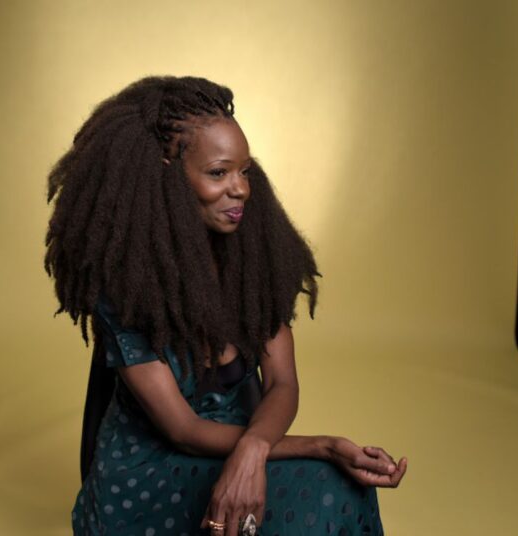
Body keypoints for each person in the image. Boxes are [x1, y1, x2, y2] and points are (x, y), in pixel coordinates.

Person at [44, 75, 407, 536]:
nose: (241, 190)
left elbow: (282, 383)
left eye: (244, 171)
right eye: (218, 173)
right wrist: (322, 446)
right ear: (168, 174)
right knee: (326, 490)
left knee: (347, 486)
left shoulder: (253, 254)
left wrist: (254, 448)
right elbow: (183, 431)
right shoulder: (129, 289)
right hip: (150, 476)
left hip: (241, 445)